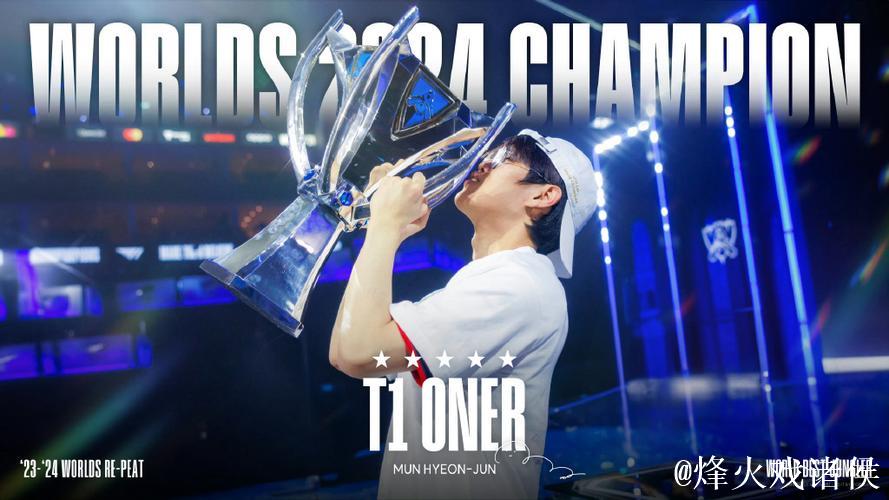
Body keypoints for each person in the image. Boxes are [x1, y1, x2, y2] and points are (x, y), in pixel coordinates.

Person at [328, 129, 598, 499]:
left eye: (503, 159)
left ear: (542, 195)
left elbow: (355, 350)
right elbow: (352, 347)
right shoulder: (491, 281)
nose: (481, 162)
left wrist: (385, 226)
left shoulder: (518, 285)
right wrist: (384, 224)